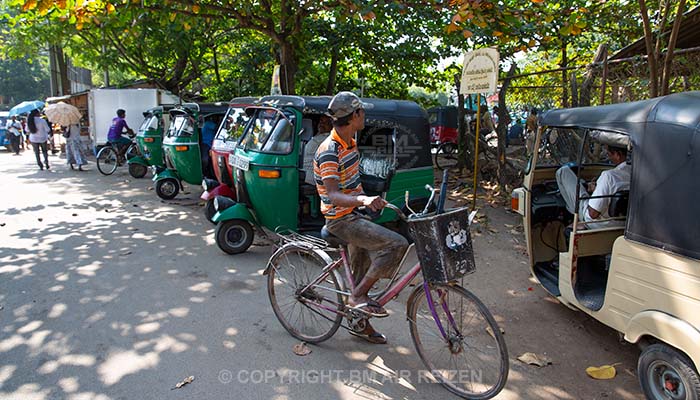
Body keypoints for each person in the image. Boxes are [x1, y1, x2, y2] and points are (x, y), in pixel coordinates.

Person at [314, 91, 409, 345]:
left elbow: (352, 185)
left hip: (354, 214)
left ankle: (358, 321)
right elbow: (334, 195)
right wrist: (362, 200)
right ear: (355, 115)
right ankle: (356, 298)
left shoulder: (351, 143)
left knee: (360, 269)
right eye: (362, 112)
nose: (364, 115)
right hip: (340, 220)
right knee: (397, 244)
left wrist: (369, 200)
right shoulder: (329, 151)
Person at [555, 145, 631, 229]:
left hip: (599, 224)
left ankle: (575, 217)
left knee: (563, 171)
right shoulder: (637, 176)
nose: (609, 158)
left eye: (609, 154)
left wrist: (593, 192)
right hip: (624, 224)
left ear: (617, 154)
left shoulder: (608, 176)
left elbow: (593, 214)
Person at [303, 116, 332, 185]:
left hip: (310, 175)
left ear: (332, 126)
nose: (322, 124)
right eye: (321, 121)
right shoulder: (317, 136)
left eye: (326, 123)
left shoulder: (325, 139)